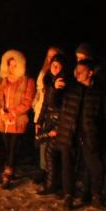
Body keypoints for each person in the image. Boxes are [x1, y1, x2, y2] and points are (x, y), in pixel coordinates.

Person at [54, 58, 106, 209]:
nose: (77, 73)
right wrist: (55, 89)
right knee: (68, 165)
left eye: (81, 71)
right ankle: (68, 196)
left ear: (90, 73)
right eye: (76, 70)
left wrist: (102, 134)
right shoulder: (70, 87)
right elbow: (54, 103)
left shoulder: (99, 91)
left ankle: (96, 196)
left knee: (96, 166)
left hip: (89, 134)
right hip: (69, 132)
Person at [0, 49, 36, 189]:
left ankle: (8, 173)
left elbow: (27, 101)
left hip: (17, 121)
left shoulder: (28, 81)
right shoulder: (4, 81)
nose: (12, 68)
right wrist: (0, 111)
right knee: (7, 147)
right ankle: (10, 166)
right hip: (3, 121)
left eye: (15, 65)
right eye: (10, 64)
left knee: (12, 147)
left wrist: (12, 113)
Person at [36, 53, 69, 195]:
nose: (55, 68)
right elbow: (45, 103)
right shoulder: (48, 80)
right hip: (49, 120)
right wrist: (39, 120)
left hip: (58, 121)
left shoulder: (62, 82)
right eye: (53, 65)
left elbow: (56, 102)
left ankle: (55, 185)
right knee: (48, 152)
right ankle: (52, 184)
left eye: (58, 66)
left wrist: (55, 89)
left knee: (53, 153)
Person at [32, 47, 64, 183]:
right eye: (49, 56)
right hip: (43, 109)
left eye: (54, 56)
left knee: (54, 144)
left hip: (57, 115)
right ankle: (43, 169)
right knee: (43, 140)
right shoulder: (44, 73)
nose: (51, 59)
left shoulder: (61, 78)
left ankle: (53, 174)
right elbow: (43, 96)